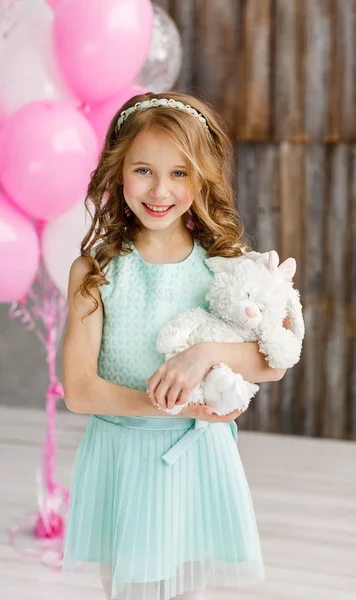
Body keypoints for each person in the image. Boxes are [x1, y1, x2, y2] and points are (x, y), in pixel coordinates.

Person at [62, 91, 284, 599]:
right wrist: (168, 401)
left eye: (179, 173)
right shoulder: (96, 272)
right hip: (124, 459)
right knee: (131, 589)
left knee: (188, 590)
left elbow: (274, 359)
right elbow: (78, 389)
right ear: (118, 173)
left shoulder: (225, 266)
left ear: (202, 177)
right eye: (143, 170)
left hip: (198, 462)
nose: (160, 189)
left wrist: (204, 354)